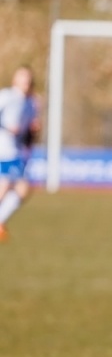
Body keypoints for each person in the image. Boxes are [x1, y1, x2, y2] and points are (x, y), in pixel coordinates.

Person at [0, 66, 40, 242]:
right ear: (15, 79)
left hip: (15, 152)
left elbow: (29, 136)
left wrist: (33, 130)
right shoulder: (6, 96)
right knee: (8, 186)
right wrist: (7, 127)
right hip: (3, 150)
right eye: (22, 78)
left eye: (28, 79)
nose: (26, 82)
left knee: (22, 189)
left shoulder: (31, 103)